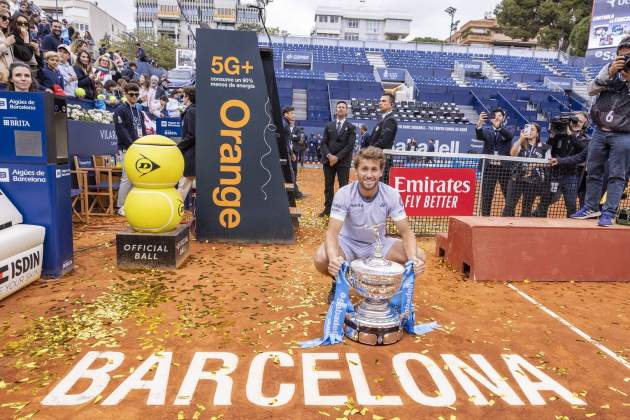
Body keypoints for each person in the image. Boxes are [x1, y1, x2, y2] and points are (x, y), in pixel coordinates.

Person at [313, 146, 425, 303]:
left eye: (374, 169)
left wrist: (413, 258)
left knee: (419, 256)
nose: (369, 174)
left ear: (381, 171)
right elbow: (332, 233)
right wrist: (333, 259)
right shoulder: (344, 194)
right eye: (364, 169)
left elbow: (406, 232)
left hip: (378, 245)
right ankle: (337, 280)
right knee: (321, 258)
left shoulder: (391, 194)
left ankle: (387, 287)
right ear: (356, 170)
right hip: (348, 244)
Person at [571, 36, 630, 226]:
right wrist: (611, 72)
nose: (625, 60)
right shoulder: (608, 69)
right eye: (622, 56)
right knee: (593, 171)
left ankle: (609, 212)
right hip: (599, 131)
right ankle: (590, 207)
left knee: (617, 174)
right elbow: (591, 89)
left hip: (623, 134)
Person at [537, 112, 589, 217]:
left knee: (571, 203)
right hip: (553, 173)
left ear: (585, 124)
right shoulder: (560, 134)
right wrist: (552, 135)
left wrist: (571, 134)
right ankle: (538, 218)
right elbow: (549, 147)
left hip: (571, 175)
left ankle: (572, 226)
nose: (577, 123)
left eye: (581, 121)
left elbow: (582, 150)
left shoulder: (586, 139)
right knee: (546, 199)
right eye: (575, 120)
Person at [502, 123, 550, 217]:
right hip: (516, 179)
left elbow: (548, 163)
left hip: (533, 181)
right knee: (509, 206)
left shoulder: (545, 147)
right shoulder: (521, 143)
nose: (530, 131)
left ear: (537, 133)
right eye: (528, 129)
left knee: (527, 208)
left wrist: (535, 164)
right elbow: (512, 154)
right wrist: (520, 139)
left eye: (533, 130)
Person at [114, 83, 147, 216]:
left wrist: (143, 144)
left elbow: (142, 130)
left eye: (136, 94)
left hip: (139, 148)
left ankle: (132, 204)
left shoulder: (139, 111)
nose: (134, 96)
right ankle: (121, 206)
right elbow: (121, 131)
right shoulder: (120, 110)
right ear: (125, 94)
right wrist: (133, 144)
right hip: (127, 148)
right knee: (126, 177)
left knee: (136, 177)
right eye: (131, 94)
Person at [319, 101, 356, 217]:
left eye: (343, 107)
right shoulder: (329, 126)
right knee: (328, 186)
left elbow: (350, 146)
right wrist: (329, 156)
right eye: (339, 107)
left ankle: (342, 211)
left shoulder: (351, 127)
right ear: (336, 110)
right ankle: (328, 209)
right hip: (328, 161)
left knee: (343, 187)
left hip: (343, 162)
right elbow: (323, 143)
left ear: (346, 111)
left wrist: (337, 157)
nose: (340, 109)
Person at [476, 108, 514, 216]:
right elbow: (479, 136)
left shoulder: (509, 128)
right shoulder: (487, 130)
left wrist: (498, 127)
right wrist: (480, 123)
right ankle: (485, 218)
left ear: (503, 118)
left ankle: (509, 217)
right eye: (495, 115)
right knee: (487, 195)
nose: (497, 117)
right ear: (491, 118)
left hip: (505, 168)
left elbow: (509, 136)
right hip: (489, 168)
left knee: (509, 194)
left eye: (500, 116)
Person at [177, 87, 196, 201]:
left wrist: (179, 146)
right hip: (193, 153)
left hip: (191, 154)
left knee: (183, 186)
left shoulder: (191, 111)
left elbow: (192, 134)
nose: (182, 98)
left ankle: (175, 212)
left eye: (183, 96)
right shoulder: (193, 110)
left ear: (188, 97)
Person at [281, 105, 304, 199]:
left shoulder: (284, 123)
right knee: (290, 173)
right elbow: (285, 142)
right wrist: (291, 153)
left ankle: (294, 193)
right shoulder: (285, 125)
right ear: (285, 114)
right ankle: (294, 194)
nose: (293, 115)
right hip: (285, 153)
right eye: (291, 113)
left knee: (289, 173)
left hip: (284, 152)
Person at [0, 7, 13, 85]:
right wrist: (6, 44)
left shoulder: (3, 34)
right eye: (4, 18)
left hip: (5, 76)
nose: (7, 21)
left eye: (9, 19)